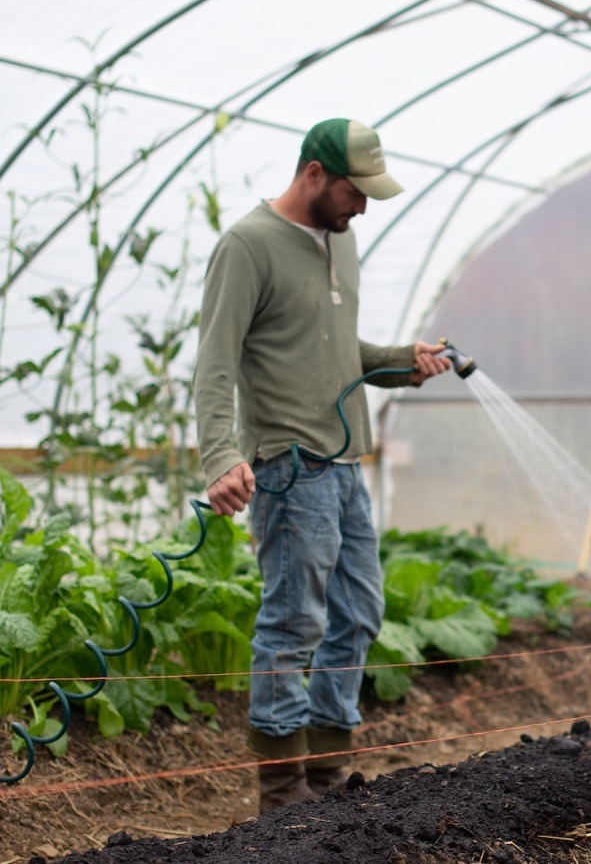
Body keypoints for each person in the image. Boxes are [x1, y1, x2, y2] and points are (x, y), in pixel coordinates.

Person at [192, 118, 453, 814]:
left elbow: (339, 353)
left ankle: (328, 778)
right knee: (292, 622)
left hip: (343, 467)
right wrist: (220, 455)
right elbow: (215, 362)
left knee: (359, 610)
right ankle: (282, 793)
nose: (363, 205)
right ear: (314, 173)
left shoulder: (342, 240)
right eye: (354, 191)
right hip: (289, 467)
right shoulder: (247, 246)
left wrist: (405, 361)